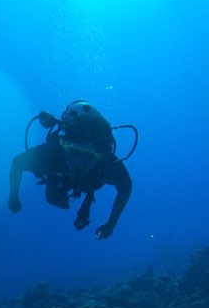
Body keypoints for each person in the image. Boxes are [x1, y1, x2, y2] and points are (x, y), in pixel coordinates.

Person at [8, 100, 133, 239]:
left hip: (87, 179)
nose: (79, 163)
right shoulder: (52, 152)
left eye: (87, 157)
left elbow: (126, 187)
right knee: (53, 196)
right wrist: (13, 197)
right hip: (58, 175)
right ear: (64, 147)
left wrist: (111, 223)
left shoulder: (106, 163)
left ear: (101, 157)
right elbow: (17, 164)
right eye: (74, 153)